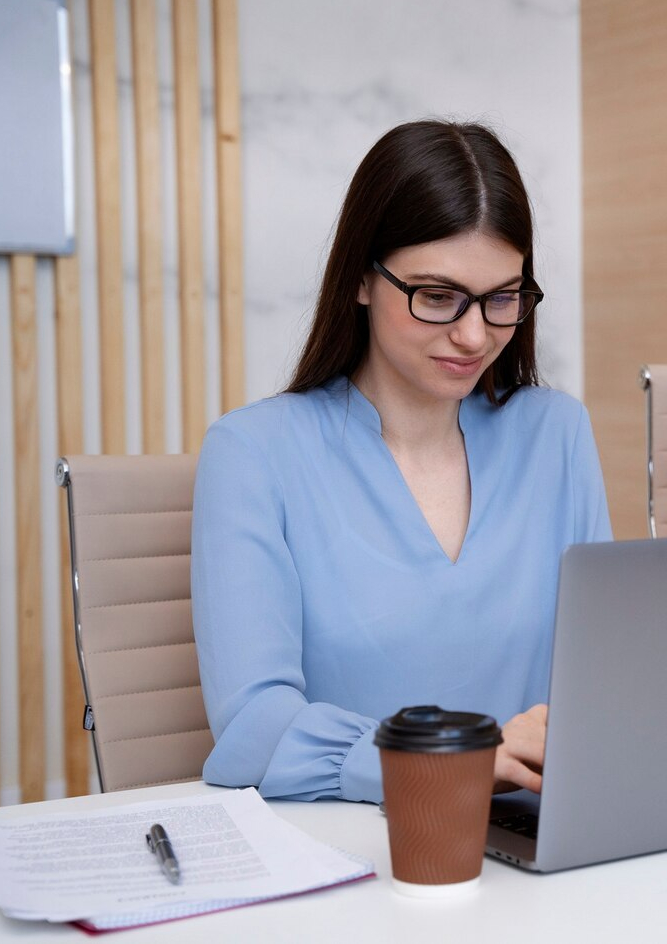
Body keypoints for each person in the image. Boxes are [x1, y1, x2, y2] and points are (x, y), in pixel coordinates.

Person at [192, 120, 611, 803]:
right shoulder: (253, 455)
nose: (475, 335)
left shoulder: (556, 433)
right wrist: (454, 759)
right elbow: (253, 725)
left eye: (502, 297)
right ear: (362, 278)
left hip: (540, 845)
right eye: (437, 296)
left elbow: (607, 675)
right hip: (355, 848)